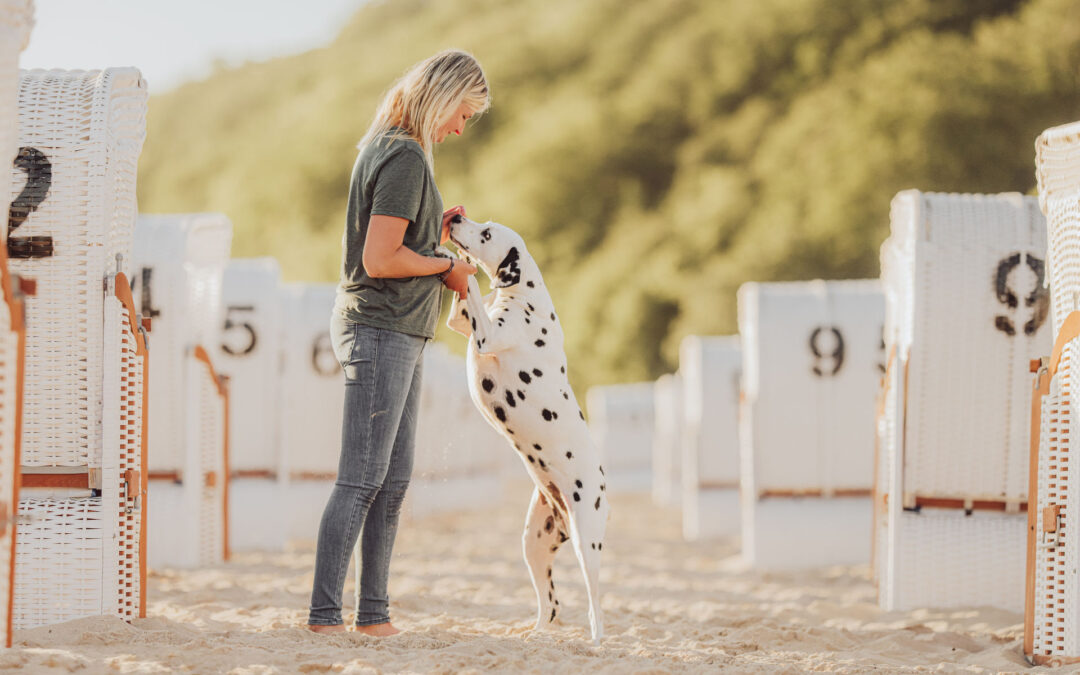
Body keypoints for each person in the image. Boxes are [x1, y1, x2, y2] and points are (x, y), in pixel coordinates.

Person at [307, 49, 489, 636]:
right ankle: (325, 618)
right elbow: (380, 258)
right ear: (442, 97)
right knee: (362, 479)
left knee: (391, 481)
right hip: (380, 328)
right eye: (462, 113)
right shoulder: (406, 156)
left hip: (399, 331)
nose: (460, 128)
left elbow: (392, 241)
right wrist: (447, 268)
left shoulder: (391, 149)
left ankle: (374, 615)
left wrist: (434, 231)